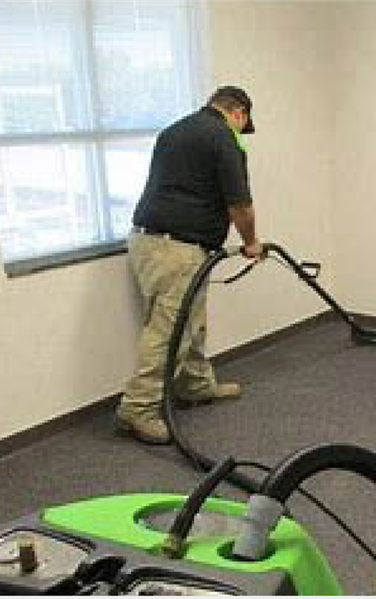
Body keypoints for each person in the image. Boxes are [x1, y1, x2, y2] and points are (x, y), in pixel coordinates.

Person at [116, 86, 263, 445]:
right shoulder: (224, 139)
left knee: (188, 319)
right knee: (170, 328)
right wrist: (250, 243)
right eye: (243, 125)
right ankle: (138, 408)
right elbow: (240, 205)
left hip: (149, 241)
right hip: (177, 247)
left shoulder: (175, 131)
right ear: (238, 113)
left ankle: (196, 386)